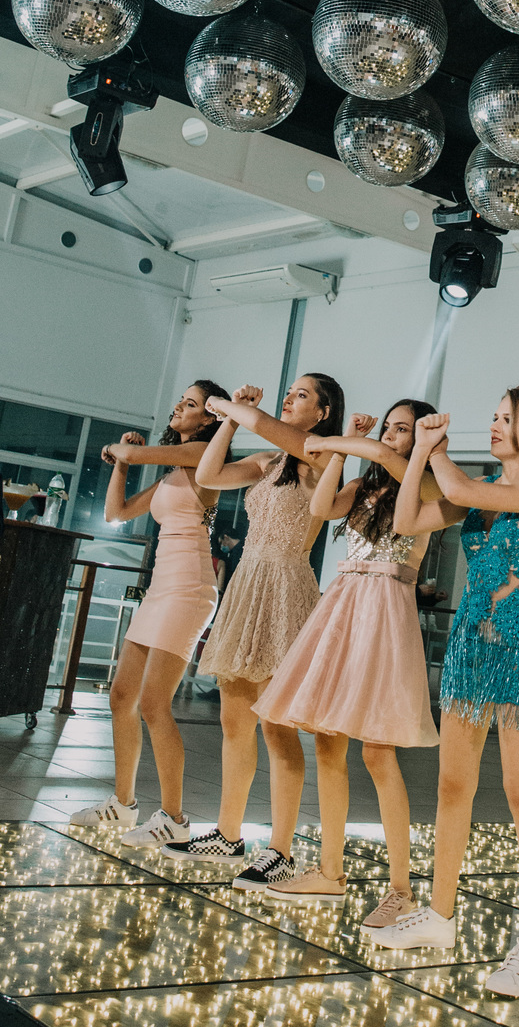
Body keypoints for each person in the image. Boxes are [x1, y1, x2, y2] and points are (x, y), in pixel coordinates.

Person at [374, 386, 519, 999]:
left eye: (505, 418)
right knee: (451, 784)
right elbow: (406, 522)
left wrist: (433, 448)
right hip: (469, 645)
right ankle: (439, 914)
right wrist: (421, 455)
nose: (493, 425)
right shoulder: (482, 490)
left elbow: (457, 490)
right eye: (493, 416)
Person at [250, 399, 440, 924]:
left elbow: (391, 462)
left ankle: (400, 889)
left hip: (385, 609)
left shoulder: (424, 485)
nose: (392, 435)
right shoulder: (364, 486)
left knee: (378, 754)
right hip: (344, 605)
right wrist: (339, 454)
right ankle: (330, 873)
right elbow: (321, 507)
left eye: (403, 429)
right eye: (389, 427)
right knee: (326, 743)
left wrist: (340, 441)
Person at [164, 374, 345, 888]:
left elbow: (263, 423)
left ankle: (281, 850)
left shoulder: (322, 455)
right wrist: (226, 423)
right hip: (248, 583)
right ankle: (227, 834)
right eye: (290, 391)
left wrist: (229, 407)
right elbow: (209, 473)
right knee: (233, 719)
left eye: (302, 395)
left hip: (286, 588)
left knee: (276, 727)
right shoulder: (268, 461)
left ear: (323, 412)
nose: (289, 398)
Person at [69, 381, 229, 848]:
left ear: (209, 419)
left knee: (155, 703)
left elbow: (136, 454)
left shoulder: (202, 454)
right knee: (122, 695)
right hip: (162, 587)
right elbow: (116, 513)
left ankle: (174, 818)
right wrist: (120, 463)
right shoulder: (172, 473)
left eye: (191, 403)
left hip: (190, 588)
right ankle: (123, 803)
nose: (178, 405)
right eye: (181, 399)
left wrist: (123, 451)